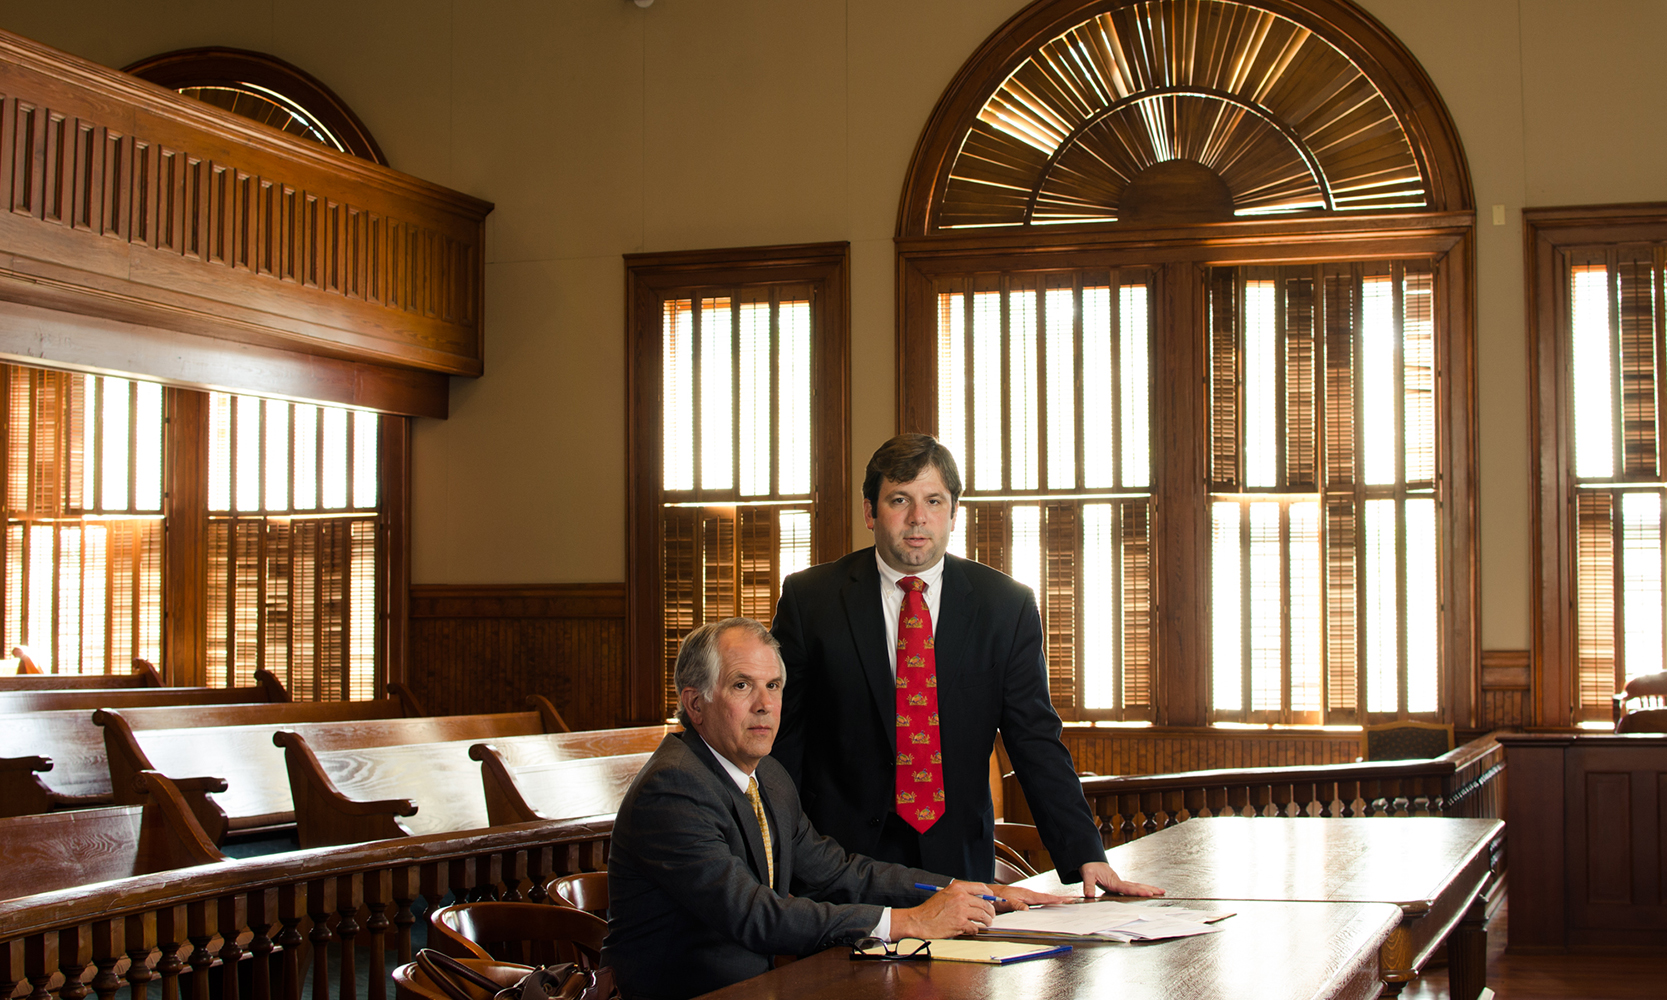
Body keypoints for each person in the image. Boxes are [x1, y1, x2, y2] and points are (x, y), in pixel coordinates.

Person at [772, 433, 1162, 896]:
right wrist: (778, 857)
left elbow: (1034, 738)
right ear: (870, 512)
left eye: (934, 501)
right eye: (900, 500)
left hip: (958, 861)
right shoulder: (810, 600)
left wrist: (1085, 854)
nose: (918, 518)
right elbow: (781, 742)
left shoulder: (1005, 606)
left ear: (954, 513)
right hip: (840, 864)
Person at [602, 617, 1063, 1000]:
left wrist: (968, 891)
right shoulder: (675, 787)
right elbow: (755, 913)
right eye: (742, 686)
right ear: (694, 704)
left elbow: (838, 872)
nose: (765, 705)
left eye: (774, 685)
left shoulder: (769, 777)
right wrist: (906, 922)